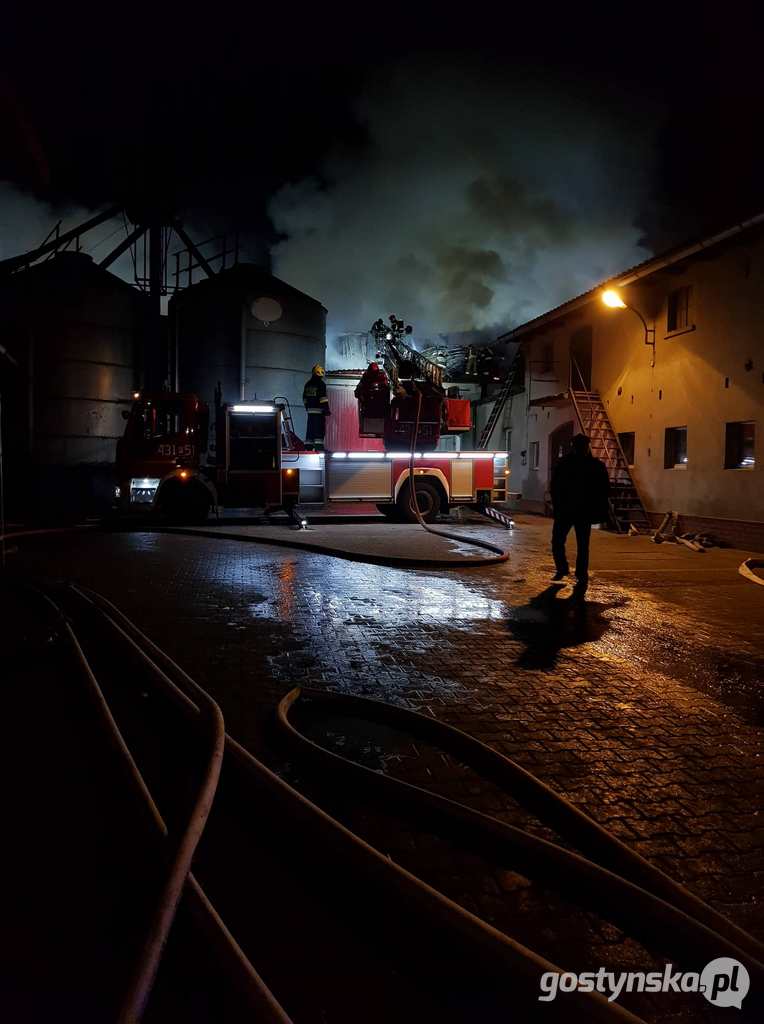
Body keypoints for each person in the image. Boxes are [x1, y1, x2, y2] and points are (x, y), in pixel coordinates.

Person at [550, 433, 610, 591]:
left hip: (567, 511)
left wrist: (556, 506)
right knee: (583, 545)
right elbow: (604, 490)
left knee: (558, 541)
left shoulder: (564, 464)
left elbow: (555, 487)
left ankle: (563, 569)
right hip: (583, 511)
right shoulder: (595, 465)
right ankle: (580, 573)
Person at [303, 364, 330, 449]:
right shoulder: (321, 384)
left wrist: (307, 407)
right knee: (319, 431)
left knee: (310, 431)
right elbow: (323, 399)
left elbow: (304, 398)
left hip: (310, 412)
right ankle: (319, 448)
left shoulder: (308, 384)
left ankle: (308, 448)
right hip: (319, 412)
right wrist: (326, 410)